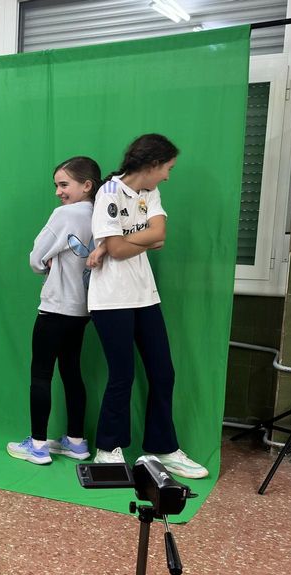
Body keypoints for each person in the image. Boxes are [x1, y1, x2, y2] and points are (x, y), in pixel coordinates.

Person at [84, 133, 208, 479]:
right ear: (152, 165)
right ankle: (108, 448)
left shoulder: (150, 192)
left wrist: (117, 242)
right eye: (167, 168)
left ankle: (163, 447)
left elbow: (160, 233)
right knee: (122, 375)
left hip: (145, 296)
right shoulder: (108, 194)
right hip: (111, 300)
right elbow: (126, 248)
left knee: (163, 372)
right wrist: (119, 245)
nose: (168, 175)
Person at [7, 157, 101, 465]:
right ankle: (76, 442)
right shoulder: (100, 214)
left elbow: (36, 256)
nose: (58, 192)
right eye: (57, 185)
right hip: (82, 311)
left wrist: (43, 263)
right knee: (72, 373)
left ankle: (37, 446)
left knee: (41, 375)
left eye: (64, 184)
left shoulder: (66, 214)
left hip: (55, 308)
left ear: (87, 185)